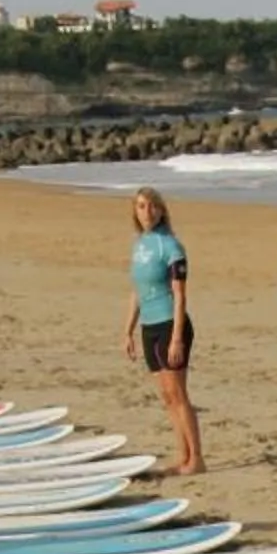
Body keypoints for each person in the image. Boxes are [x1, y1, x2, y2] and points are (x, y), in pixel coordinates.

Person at [120, 187, 202, 476]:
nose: (147, 212)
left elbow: (180, 295)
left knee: (178, 394)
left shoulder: (171, 246)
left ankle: (197, 459)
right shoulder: (140, 244)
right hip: (149, 327)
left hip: (170, 324)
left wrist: (177, 337)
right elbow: (137, 291)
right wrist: (128, 331)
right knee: (167, 397)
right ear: (135, 211)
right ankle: (183, 457)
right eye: (142, 206)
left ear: (162, 210)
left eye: (153, 206)